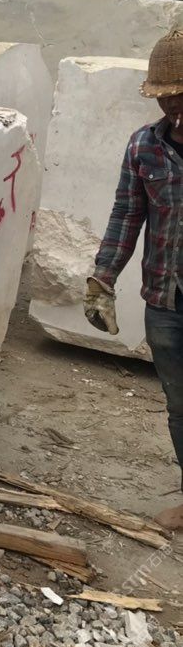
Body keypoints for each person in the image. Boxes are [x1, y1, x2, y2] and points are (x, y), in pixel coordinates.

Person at [86, 28, 183, 531]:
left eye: (181, 94)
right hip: (167, 302)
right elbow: (127, 214)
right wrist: (101, 281)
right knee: (179, 405)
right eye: (165, 96)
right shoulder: (144, 146)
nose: (173, 105)